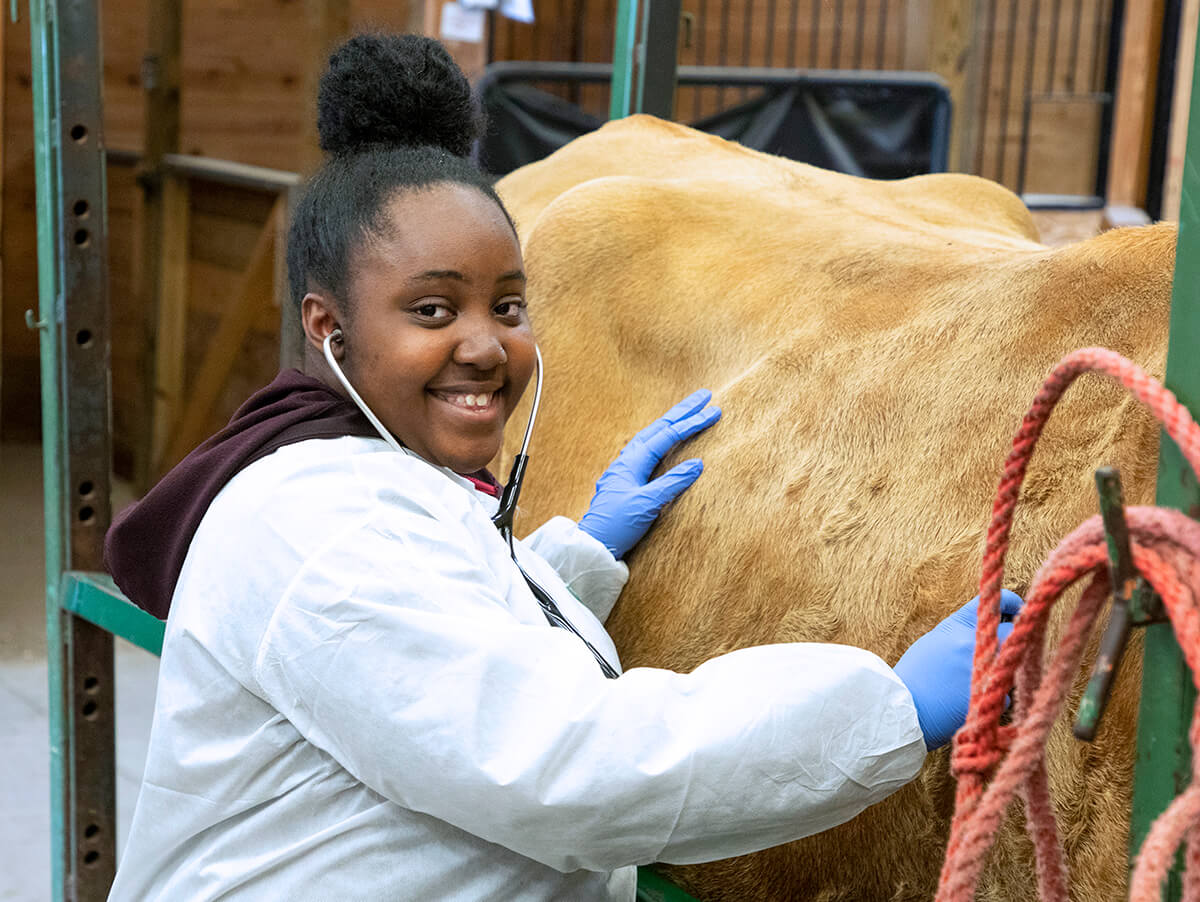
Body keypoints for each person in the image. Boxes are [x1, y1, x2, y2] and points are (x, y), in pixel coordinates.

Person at [104, 33, 1021, 902]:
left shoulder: (372, 476)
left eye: (507, 306)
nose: (485, 347)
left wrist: (572, 557)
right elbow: (567, 768)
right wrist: (885, 704)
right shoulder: (321, 531)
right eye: (432, 311)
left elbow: (446, 629)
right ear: (325, 325)